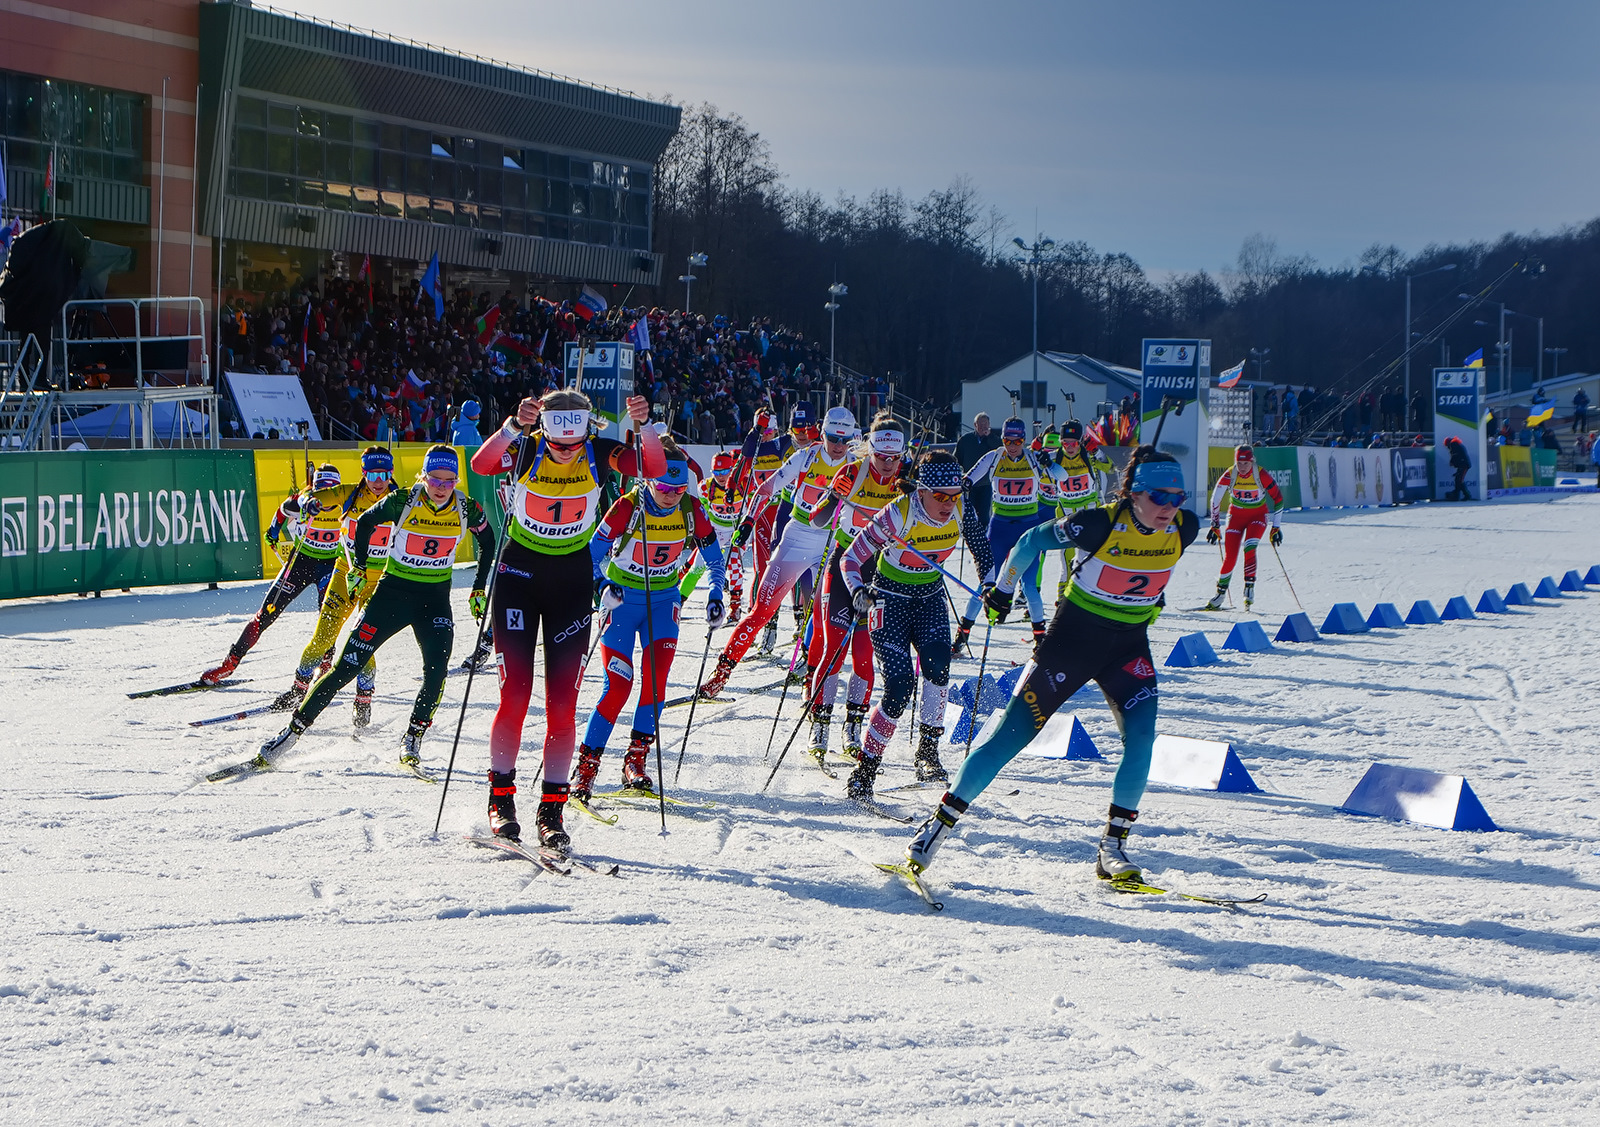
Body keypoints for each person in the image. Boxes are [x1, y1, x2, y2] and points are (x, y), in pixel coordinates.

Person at [901, 447, 1201, 883]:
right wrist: (1003, 590)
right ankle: (937, 827)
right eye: (1159, 496)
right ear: (1134, 494)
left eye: (1179, 497)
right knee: (1009, 738)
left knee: (1141, 739)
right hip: (1071, 643)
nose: (1170, 507)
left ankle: (1113, 847)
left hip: (1128, 649)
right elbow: (1029, 542)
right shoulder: (1099, 523)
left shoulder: (1184, 528)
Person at [468, 389, 662, 855]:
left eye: (573, 444)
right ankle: (501, 799)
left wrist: (646, 426)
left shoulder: (599, 451)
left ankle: (551, 810)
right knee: (514, 693)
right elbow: (480, 464)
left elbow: (652, 469)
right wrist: (513, 426)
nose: (566, 452)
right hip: (518, 575)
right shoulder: (529, 448)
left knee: (562, 703)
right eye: (558, 443)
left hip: (571, 580)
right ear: (545, 431)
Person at [253, 445, 495, 772]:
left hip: (434, 601)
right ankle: (290, 733)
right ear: (423, 477)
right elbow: (365, 521)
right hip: (391, 595)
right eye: (434, 479)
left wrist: (479, 587)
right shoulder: (404, 500)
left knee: (437, 671)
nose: (441, 487)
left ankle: (413, 739)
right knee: (345, 667)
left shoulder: (466, 507)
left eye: (449, 481)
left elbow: (488, 539)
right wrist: (360, 569)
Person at [567, 442, 728, 833]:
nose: (671, 496)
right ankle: (585, 769)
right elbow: (593, 551)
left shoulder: (693, 509)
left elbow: (714, 557)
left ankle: (635, 760)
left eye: (678, 489)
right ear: (649, 480)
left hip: (664, 604)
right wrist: (600, 585)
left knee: (655, 684)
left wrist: (716, 593)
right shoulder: (627, 506)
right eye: (664, 488)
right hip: (623, 603)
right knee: (618, 686)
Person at [835, 450, 993, 798]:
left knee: (938, 667)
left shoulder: (962, 509)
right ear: (920, 491)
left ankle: (927, 753)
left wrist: (990, 588)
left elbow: (982, 551)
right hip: (888, 599)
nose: (948, 504)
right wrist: (857, 590)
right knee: (900, 686)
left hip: (930, 598)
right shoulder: (897, 514)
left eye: (954, 496)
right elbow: (851, 557)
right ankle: (865, 770)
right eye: (940, 496)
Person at [695, 407, 857, 699]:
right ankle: (721, 674)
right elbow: (767, 487)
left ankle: (811, 681)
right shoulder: (807, 456)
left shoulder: (855, 466)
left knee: (820, 617)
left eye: (845, 441)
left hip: (831, 545)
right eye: (833, 438)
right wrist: (748, 520)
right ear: (823, 433)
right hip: (797, 536)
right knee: (762, 610)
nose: (838, 446)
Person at [797, 412, 910, 755]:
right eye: (881, 456)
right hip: (846, 562)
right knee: (834, 650)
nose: (888, 465)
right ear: (870, 450)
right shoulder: (852, 472)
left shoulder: (907, 480)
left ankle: (853, 725)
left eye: (895, 458)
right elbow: (816, 521)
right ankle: (820, 724)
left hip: (881, 572)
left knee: (864, 655)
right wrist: (832, 498)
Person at [269, 447, 399, 723]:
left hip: (377, 583)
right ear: (364, 474)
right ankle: (299, 688)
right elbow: (309, 496)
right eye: (372, 474)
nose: (378, 481)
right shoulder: (348, 493)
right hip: (345, 576)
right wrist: (308, 503)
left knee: (364, 643)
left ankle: (364, 698)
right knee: (322, 640)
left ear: (391, 474)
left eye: (384, 474)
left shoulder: (400, 500)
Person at [199, 463, 347, 685]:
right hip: (300, 562)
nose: (324, 497)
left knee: (327, 617)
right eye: (320, 489)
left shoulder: (346, 503)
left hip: (330, 565)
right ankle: (229, 664)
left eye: (330, 490)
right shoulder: (304, 500)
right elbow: (283, 509)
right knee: (265, 613)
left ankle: (325, 664)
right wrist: (273, 531)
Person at [954, 417, 1063, 650]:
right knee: (986, 582)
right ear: (1002, 439)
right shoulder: (994, 457)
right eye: (1007, 440)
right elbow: (970, 477)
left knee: (1030, 585)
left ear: (1024, 440)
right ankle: (963, 633)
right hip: (1000, 527)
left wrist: (1049, 464)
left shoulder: (1034, 459)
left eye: (1017, 441)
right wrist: (964, 486)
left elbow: (1062, 477)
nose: (1012, 445)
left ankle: (1040, 639)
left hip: (1028, 530)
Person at [1204, 445, 1284, 610]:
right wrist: (1214, 525)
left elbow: (1278, 498)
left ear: (1252, 461)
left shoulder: (1260, 474)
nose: (1242, 467)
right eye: (1239, 463)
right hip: (1236, 516)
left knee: (1250, 546)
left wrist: (1275, 527)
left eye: (1245, 463)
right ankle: (1220, 594)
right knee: (1230, 556)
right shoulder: (1231, 473)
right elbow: (1215, 499)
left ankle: (1249, 588)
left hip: (1258, 516)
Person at [1049, 419, 1116, 604]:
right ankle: (1063, 599)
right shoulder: (1055, 458)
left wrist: (1096, 450)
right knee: (1066, 562)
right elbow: (1035, 467)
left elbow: (1110, 467)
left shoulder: (1089, 456)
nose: (1069, 447)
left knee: (1092, 559)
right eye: (1065, 443)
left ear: (1080, 442)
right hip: (1066, 516)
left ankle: (1096, 597)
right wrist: (1038, 451)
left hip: (1090, 516)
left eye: (1074, 443)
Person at [955, 412, 1001, 526]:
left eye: (986, 424)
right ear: (975, 425)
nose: (983, 426)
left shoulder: (994, 439)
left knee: (984, 515)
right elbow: (956, 458)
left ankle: (983, 535)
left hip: (986, 483)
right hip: (970, 483)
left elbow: (1000, 452)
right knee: (969, 513)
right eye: (981, 424)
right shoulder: (966, 439)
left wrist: (989, 437)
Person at [1444, 435, 1472, 500]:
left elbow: (1455, 455)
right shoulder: (1456, 444)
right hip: (1463, 464)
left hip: (1464, 465)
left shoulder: (1453, 445)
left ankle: (1467, 495)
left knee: (1460, 480)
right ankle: (1457, 493)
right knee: (1458, 479)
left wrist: (1451, 462)